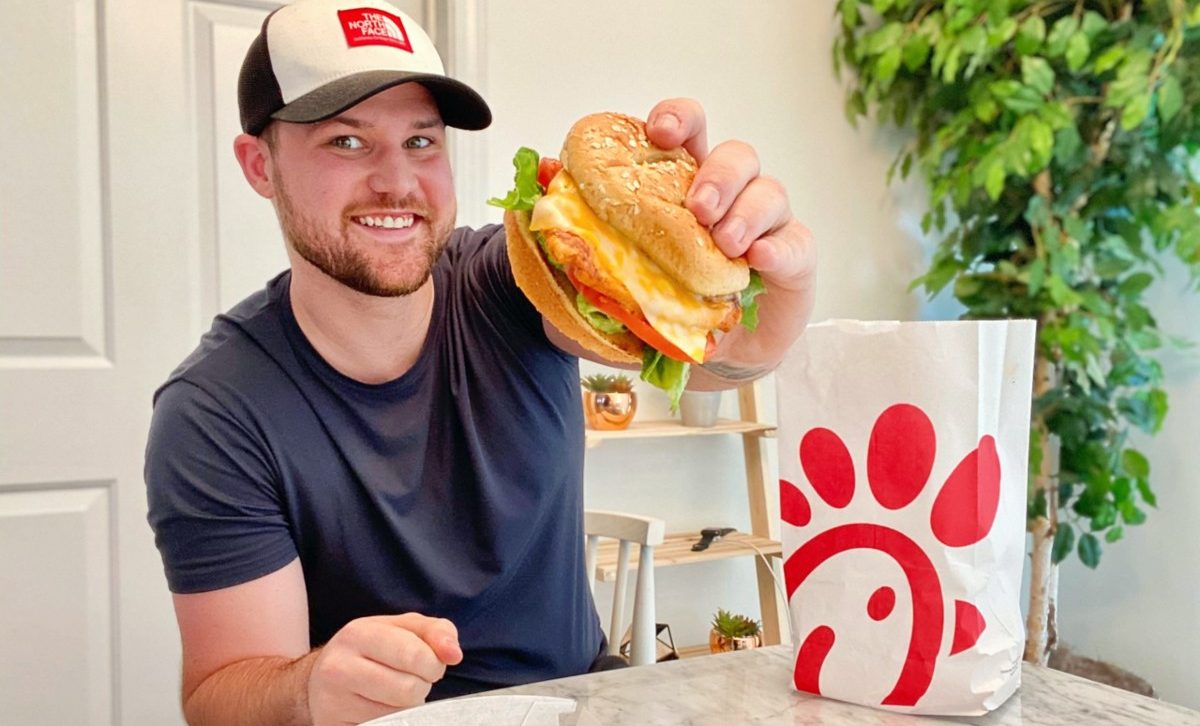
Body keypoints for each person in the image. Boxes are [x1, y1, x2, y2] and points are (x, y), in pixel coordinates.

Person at [143, 0, 816, 724]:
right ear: (260, 166)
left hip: (582, 702)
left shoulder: (516, 278)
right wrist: (308, 687)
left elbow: (709, 360)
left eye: (422, 141)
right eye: (346, 142)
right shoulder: (216, 410)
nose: (397, 182)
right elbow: (219, 694)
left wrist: (766, 309)